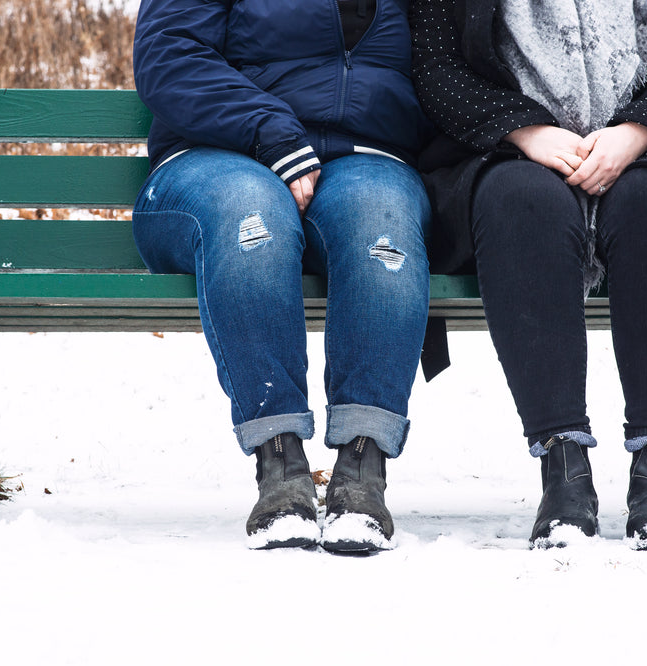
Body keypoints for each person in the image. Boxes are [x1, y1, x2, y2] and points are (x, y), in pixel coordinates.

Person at [410, 0, 647, 550]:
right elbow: (438, 70)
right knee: (523, 200)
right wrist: (526, 133)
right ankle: (563, 471)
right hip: (505, 151)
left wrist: (634, 133)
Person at [132, 0, 433, 552]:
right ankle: (280, 465)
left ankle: (362, 471)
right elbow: (168, 54)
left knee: (380, 224)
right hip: (215, 156)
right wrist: (268, 129)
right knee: (253, 216)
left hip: (364, 158)